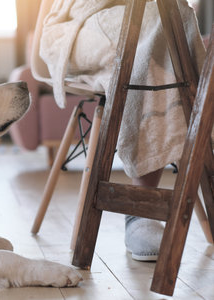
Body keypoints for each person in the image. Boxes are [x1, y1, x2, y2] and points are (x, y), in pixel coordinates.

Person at [37, 0, 207, 261]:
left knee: (173, 20)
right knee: (160, 25)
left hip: (138, 25)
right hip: (75, 26)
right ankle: (143, 203)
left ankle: (142, 205)